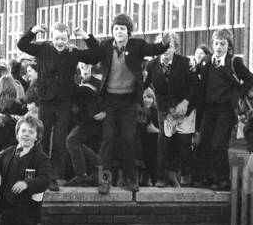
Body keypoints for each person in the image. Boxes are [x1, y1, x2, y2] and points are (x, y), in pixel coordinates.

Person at [73, 15, 168, 191]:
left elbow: (154, 49)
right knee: (108, 138)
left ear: (129, 32)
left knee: (129, 138)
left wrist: (165, 42)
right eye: (116, 28)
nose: (119, 32)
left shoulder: (137, 46)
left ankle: (131, 179)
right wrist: (82, 39)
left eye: (122, 29)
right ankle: (105, 180)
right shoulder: (106, 46)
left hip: (129, 101)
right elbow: (92, 54)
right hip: (110, 100)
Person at [16, 22, 83, 187]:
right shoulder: (44, 49)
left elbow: (94, 54)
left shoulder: (72, 52)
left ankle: (54, 176)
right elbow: (21, 44)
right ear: (52, 39)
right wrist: (34, 30)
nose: (60, 42)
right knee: (43, 138)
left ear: (68, 39)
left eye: (63, 39)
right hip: (46, 100)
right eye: (57, 38)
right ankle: (43, 174)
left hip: (64, 101)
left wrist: (84, 35)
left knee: (60, 141)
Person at [190, 29, 253, 190]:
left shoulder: (234, 62)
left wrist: (237, 96)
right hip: (208, 109)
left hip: (226, 110)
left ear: (229, 46)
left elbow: (249, 79)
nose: (219, 47)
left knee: (218, 144)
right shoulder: (207, 60)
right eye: (216, 43)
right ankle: (202, 177)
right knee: (204, 143)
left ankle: (220, 179)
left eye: (223, 44)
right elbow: (196, 71)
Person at [143, 31, 195, 187]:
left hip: (184, 108)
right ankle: (161, 177)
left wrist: (185, 102)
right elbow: (144, 85)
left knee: (183, 141)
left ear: (175, 48)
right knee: (163, 142)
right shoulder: (151, 65)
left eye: (169, 46)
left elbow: (194, 87)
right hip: (165, 109)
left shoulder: (185, 63)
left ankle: (182, 174)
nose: (166, 49)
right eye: (162, 46)